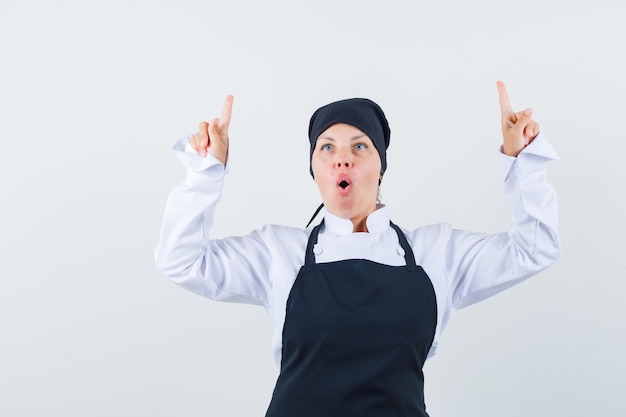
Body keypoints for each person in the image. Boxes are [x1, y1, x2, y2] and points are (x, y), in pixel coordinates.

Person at [155, 81, 560, 416]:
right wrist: (206, 173)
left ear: (381, 165)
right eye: (326, 147)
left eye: (360, 147)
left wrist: (522, 161)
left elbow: (534, 249)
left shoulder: (437, 254)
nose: (341, 160)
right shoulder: (279, 253)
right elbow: (181, 259)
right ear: (314, 169)